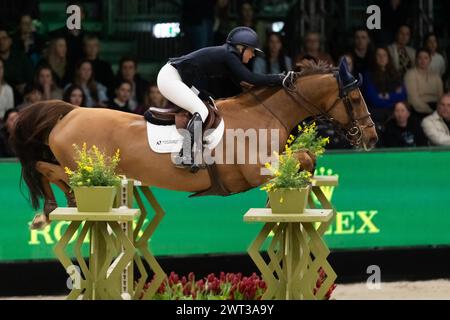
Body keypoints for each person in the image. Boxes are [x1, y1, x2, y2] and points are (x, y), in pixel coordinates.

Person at [157, 26, 285, 172]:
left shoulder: (228, 57)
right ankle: (185, 154)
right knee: (201, 110)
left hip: (180, 78)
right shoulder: (228, 55)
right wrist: (280, 78)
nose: (253, 55)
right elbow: (250, 77)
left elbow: (246, 84)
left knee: (208, 103)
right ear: (241, 48)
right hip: (171, 78)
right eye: (252, 51)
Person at [362, 47, 407, 126]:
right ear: (374, 57)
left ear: (388, 57)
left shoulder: (395, 74)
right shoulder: (368, 75)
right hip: (377, 112)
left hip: (396, 110)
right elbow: (374, 100)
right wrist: (394, 98)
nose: (382, 58)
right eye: (378, 55)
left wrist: (386, 96)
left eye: (384, 55)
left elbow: (403, 95)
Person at [405, 49, 444, 119]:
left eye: (426, 58)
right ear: (416, 59)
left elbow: (440, 96)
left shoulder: (436, 75)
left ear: (430, 60)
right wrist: (430, 111)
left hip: (437, 107)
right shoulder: (410, 74)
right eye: (420, 58)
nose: (423, 61)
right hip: (419, 108)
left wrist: (440, 109)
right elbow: (413, 99)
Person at [0, 28, 33, 104]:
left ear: (10, 41)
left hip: (22, 96)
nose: (1, 42)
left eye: (4, 38)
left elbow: (30, 76)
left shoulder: (20, 57)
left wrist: (25, 86)